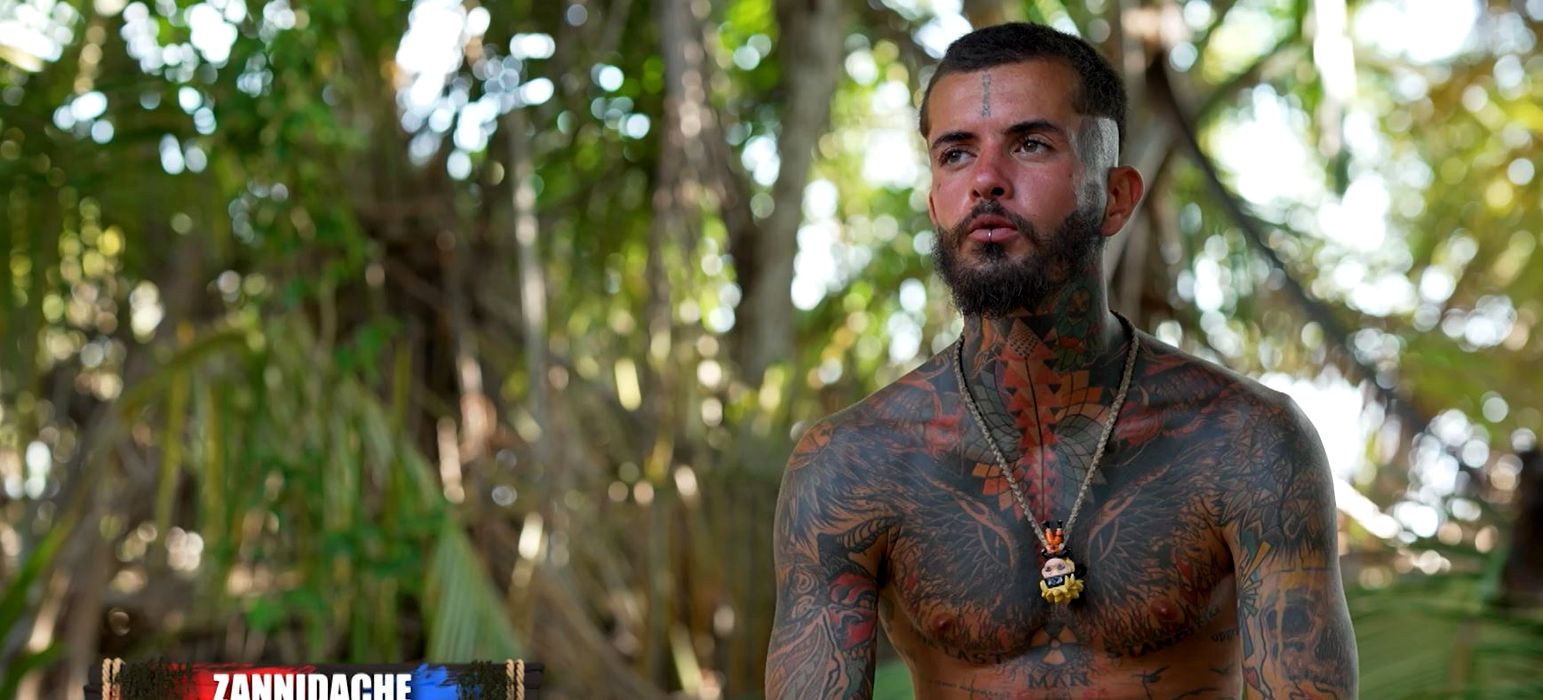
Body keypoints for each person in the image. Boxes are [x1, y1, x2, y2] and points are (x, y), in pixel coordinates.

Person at [765, 22, 1356, 699]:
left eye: (1031, 144)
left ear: (1116, 196)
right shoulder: (853, 465)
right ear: (933, 203)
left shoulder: (1245, 443)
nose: (986, 181)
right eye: (955, 154)